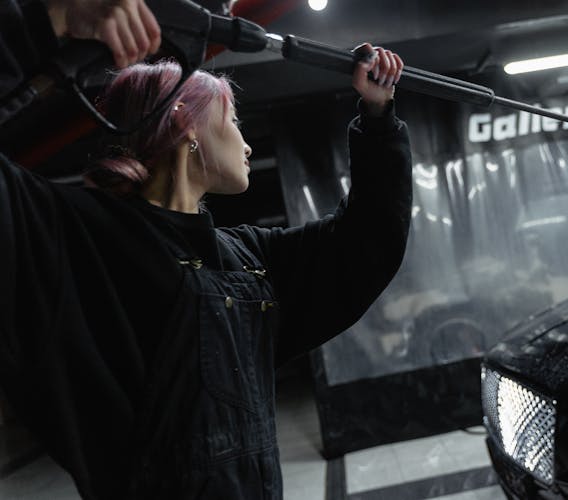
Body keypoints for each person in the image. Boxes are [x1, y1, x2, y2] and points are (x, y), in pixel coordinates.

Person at [0, 1, 412, 499]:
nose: (245, 145)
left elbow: (365, 242)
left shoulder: (244, 259)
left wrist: (377, 118)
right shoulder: (70, 238)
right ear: (185, 122)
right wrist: (49, 20)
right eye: (233, 119)